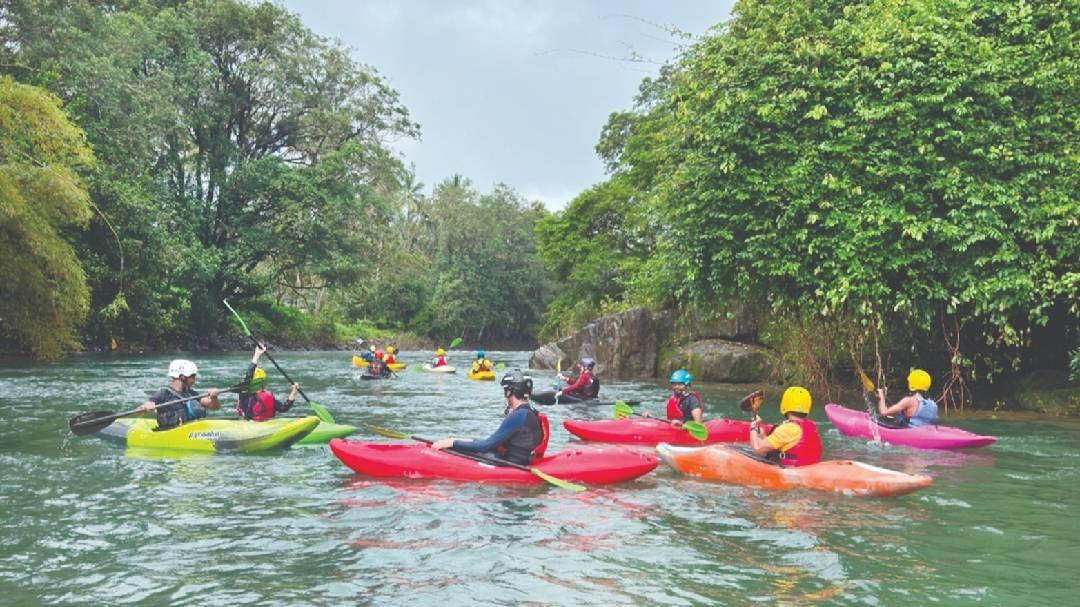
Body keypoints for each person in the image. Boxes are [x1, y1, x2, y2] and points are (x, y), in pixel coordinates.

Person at [432, 369, 550, 465]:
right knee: (466, 445)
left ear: (509, 392)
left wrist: (453, 443)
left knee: (457, 449)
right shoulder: (529, 412)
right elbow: (493, 442)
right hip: (521, 460)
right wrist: (465, 440)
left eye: (505, 389)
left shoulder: (518, 416)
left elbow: (485, 446)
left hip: (511, 463)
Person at [135, 359, 222, 429]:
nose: (194, 380)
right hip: (170, 433)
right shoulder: (163, 393)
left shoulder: (191, 393)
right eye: (192, 376)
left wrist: (214, 397)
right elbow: (142, 408)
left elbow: (214, 407)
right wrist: (145, 407)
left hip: (192, 432)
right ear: (182, 377)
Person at [748, 386, 822, 467]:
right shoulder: (812, 426)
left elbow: (758, 449)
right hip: (810, 468)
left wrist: (753, 427)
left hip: (790, 470)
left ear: (785, 405)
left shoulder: (786, 429)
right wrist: (762, 436)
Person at [236, 345, 299, 421]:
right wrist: (256, 355)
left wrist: (294, 392)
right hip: (249, 424)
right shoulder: (245, 394)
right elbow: (284, 408)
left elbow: (283, 408)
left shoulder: (247, 393)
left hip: (260, 424)